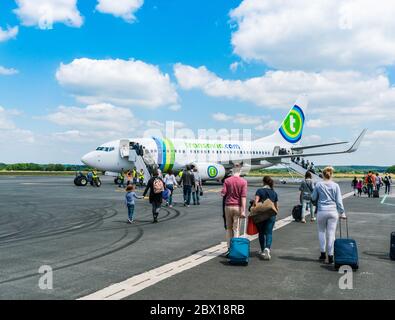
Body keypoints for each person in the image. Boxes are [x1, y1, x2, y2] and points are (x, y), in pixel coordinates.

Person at [312, 167, 346, 264]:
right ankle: (331, 256)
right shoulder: (336, 185)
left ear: (322, 175)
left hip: (322, 211)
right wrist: (342, 213)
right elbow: (339, 201)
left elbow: (313, 197)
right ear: (331, 174)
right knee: (331, 234)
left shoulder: (318, 185)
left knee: (321, 232)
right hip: (333, 211)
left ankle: (323, 254)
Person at [221, 163, 247, 254]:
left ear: (232, 171)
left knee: (228, 228)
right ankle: (234, 249)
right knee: (236, 228)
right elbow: (243, 197)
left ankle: (228, 248)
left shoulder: (227, 181)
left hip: (228, 206)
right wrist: (243, 211)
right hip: (238, 207)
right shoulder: (243, 182)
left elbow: (223, 193)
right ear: (240, 171)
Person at [254, 176, 278, 260]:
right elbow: (276, 206)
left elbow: (256, 202)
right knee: (269, 233)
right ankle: (267, 248)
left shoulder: (259, 191)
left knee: (261, 233)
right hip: (271, 214)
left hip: (261, 214)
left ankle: (262, 250)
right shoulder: (274, 193)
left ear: (263, 182)